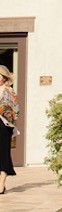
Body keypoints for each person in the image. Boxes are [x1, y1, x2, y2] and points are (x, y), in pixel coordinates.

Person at [0, 65, 19, 194]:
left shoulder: (10, 91)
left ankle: (1, 183)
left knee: (3, 154)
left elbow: (16, 110)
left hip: (3, 126)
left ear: (4, 77)